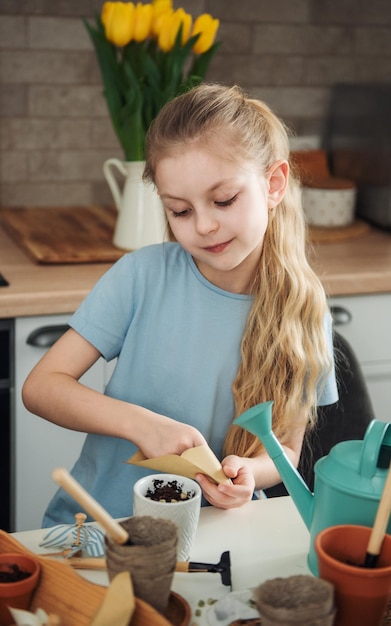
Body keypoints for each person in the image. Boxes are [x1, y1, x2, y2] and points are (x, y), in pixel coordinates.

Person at [22, 83, 338, 527]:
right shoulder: (142, 275)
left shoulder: (305, 309)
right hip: (99, 527)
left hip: (214, 540)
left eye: (223, 200)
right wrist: (142, 425)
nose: (205, 226)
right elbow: (41, 388)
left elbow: (285, 449)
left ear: (274, 183)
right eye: (180, 211)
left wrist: (249, 475)